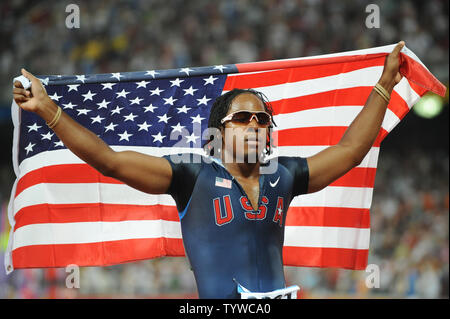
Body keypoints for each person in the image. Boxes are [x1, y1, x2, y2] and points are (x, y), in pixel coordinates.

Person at [12, 42, 405, 299]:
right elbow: (108, 160)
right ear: (219, 132)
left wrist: (385, 84)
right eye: (244, 118)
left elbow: (352, 151)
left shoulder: (283, 175)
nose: (255, 124)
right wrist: (48, 110)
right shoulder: (191, 174)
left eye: (262, 119)